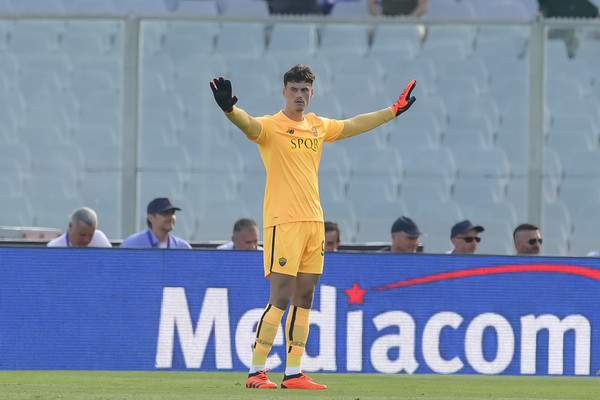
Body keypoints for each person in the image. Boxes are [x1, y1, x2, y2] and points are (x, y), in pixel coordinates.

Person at [210, 64, 416, 389]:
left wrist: (393, 111)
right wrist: (229, 108)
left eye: (305, 90)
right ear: (284, 92)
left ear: (312, 92)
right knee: (279, 297)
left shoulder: (318, 126)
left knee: (304, 297)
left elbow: (353, 125)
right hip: (283, 224)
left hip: (314, 224)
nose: (299, 96)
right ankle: (255, 371)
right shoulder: (272, 126)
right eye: (294, 90)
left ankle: (293, 372)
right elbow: (247, 123)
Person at [119, 198, 191, 249]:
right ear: (151, 218)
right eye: (165, 213)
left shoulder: (182, 247)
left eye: (172, 213)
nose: (171, 217)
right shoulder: (132, 245)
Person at [47, 206, 112, 247]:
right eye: (82, 235)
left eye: (90, 235)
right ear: (70, 226)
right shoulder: (54, 247)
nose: (86, 240)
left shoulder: (100, 239)